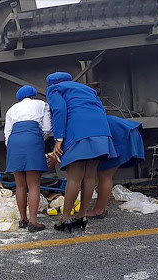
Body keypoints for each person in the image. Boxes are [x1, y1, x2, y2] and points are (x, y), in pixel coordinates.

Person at [46, 72, 117, 232]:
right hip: (100, 130)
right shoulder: (87, 90)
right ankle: (82, 215)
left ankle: (65, 218)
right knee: (90, 175)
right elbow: (100, 109)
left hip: (79, 130)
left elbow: (60, 110)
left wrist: (59, 138)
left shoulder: (54, 89)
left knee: (74, 177)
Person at [4, 85, 52, 232]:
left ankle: (22, 219)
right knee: (34, 184)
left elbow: (7, 133)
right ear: (33, 95)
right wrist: (37, 137)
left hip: (14, 142)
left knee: (20, 185)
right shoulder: (42, 105)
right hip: (32, 139)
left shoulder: (11, 109)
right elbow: (47, 128)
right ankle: (33, 222)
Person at [87, 115, 145, 218]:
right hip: (126, 130)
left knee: (104, 174)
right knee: (104, 174)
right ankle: (101, 206)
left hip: (122, 135)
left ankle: (98, 211)